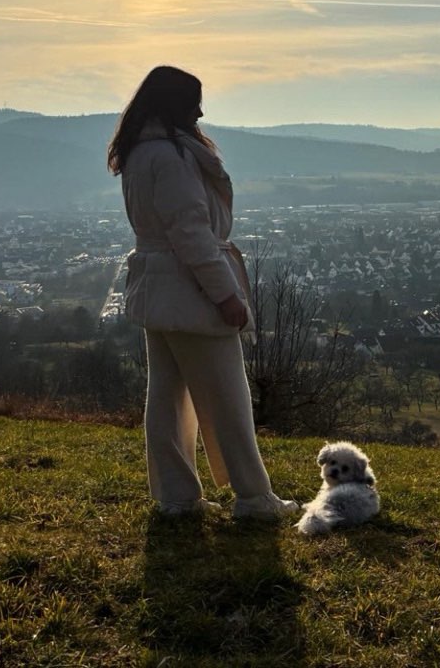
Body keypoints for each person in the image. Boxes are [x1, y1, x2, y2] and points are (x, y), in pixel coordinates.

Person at [108, 65, 298, 520]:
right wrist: (226, 295)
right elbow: (191, 233)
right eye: (193, 100)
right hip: (188, 286)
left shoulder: (141, 152)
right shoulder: (171, 158)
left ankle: (177, 497)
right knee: (228, 398)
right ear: (175, 104)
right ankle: (254, 499)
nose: (200, 109)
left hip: (158, 288)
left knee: (168, 399)